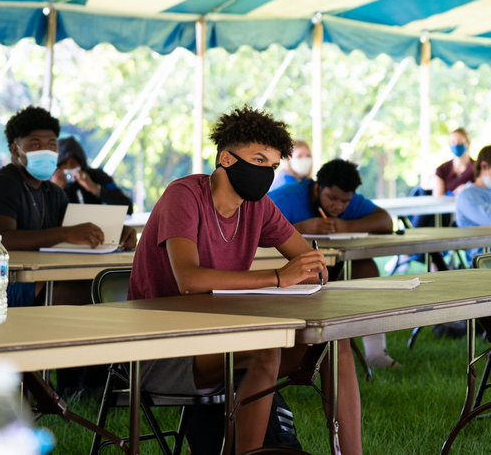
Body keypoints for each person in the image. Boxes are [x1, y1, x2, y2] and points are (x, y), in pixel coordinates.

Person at [128, 107, 361, 454]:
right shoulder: (184, 196)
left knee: (334, 343)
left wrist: (308, 271)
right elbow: (189, 280)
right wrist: (278, 278)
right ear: (226, 158)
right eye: (258, 160)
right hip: (166, 346)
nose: (265, 173)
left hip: (225, 337)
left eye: (273, 165)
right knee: (264, 350)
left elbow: (312, 265)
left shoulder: (257, 207)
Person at [0, 106, 134, 309]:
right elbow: (0, 240)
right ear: (15, 150)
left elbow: (75, 231)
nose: (46, 151)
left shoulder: (53, 193)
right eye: (35, 144)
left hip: (30, 279)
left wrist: (115, 234)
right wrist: (66, 233)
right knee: (79, 289)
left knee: (107, 282)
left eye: (51, 144)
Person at [269, 158, 397, 369]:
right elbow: (253, 224)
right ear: (317, 188)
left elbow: (385, 221)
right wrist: (299, 228)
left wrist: (346, 226)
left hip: (332, 267)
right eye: (332, 198)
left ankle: (376, 353)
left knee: (365, 268)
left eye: (345, 201)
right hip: (287, 271)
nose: (338, 206)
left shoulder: (350, 202)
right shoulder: (286, 197)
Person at [52, 136, 133, 212]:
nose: (69, 168)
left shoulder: (98, 176)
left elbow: (128, 208)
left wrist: (94, 188)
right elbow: (47, 216)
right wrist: (56, 191)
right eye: (64, 164)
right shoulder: (50, 184)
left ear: (81, 163)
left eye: (73, 163)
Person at [433, 128, 475, 197]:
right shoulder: (442, 170)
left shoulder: (478, 168)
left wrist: (469, 188)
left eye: (460, 141)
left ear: (467, 143)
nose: (456, 145)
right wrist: (453, 195)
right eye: (453, 142)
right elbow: (438, 198)